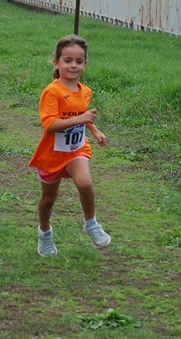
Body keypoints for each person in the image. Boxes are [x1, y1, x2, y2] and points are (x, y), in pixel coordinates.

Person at [28, 35, 111, 257]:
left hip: (76, 149)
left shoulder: (85, 91)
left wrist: (95, 131)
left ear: (85, 64)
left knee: (84, 183)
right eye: (67, 60)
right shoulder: (52, 92)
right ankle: (44, 233)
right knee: (48, 200)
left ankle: (91, 223)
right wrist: (81, 119)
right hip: (52, 155)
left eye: (79, 61)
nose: (73, 65)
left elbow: (82, 116)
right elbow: (51, 124)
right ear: (56, 62)